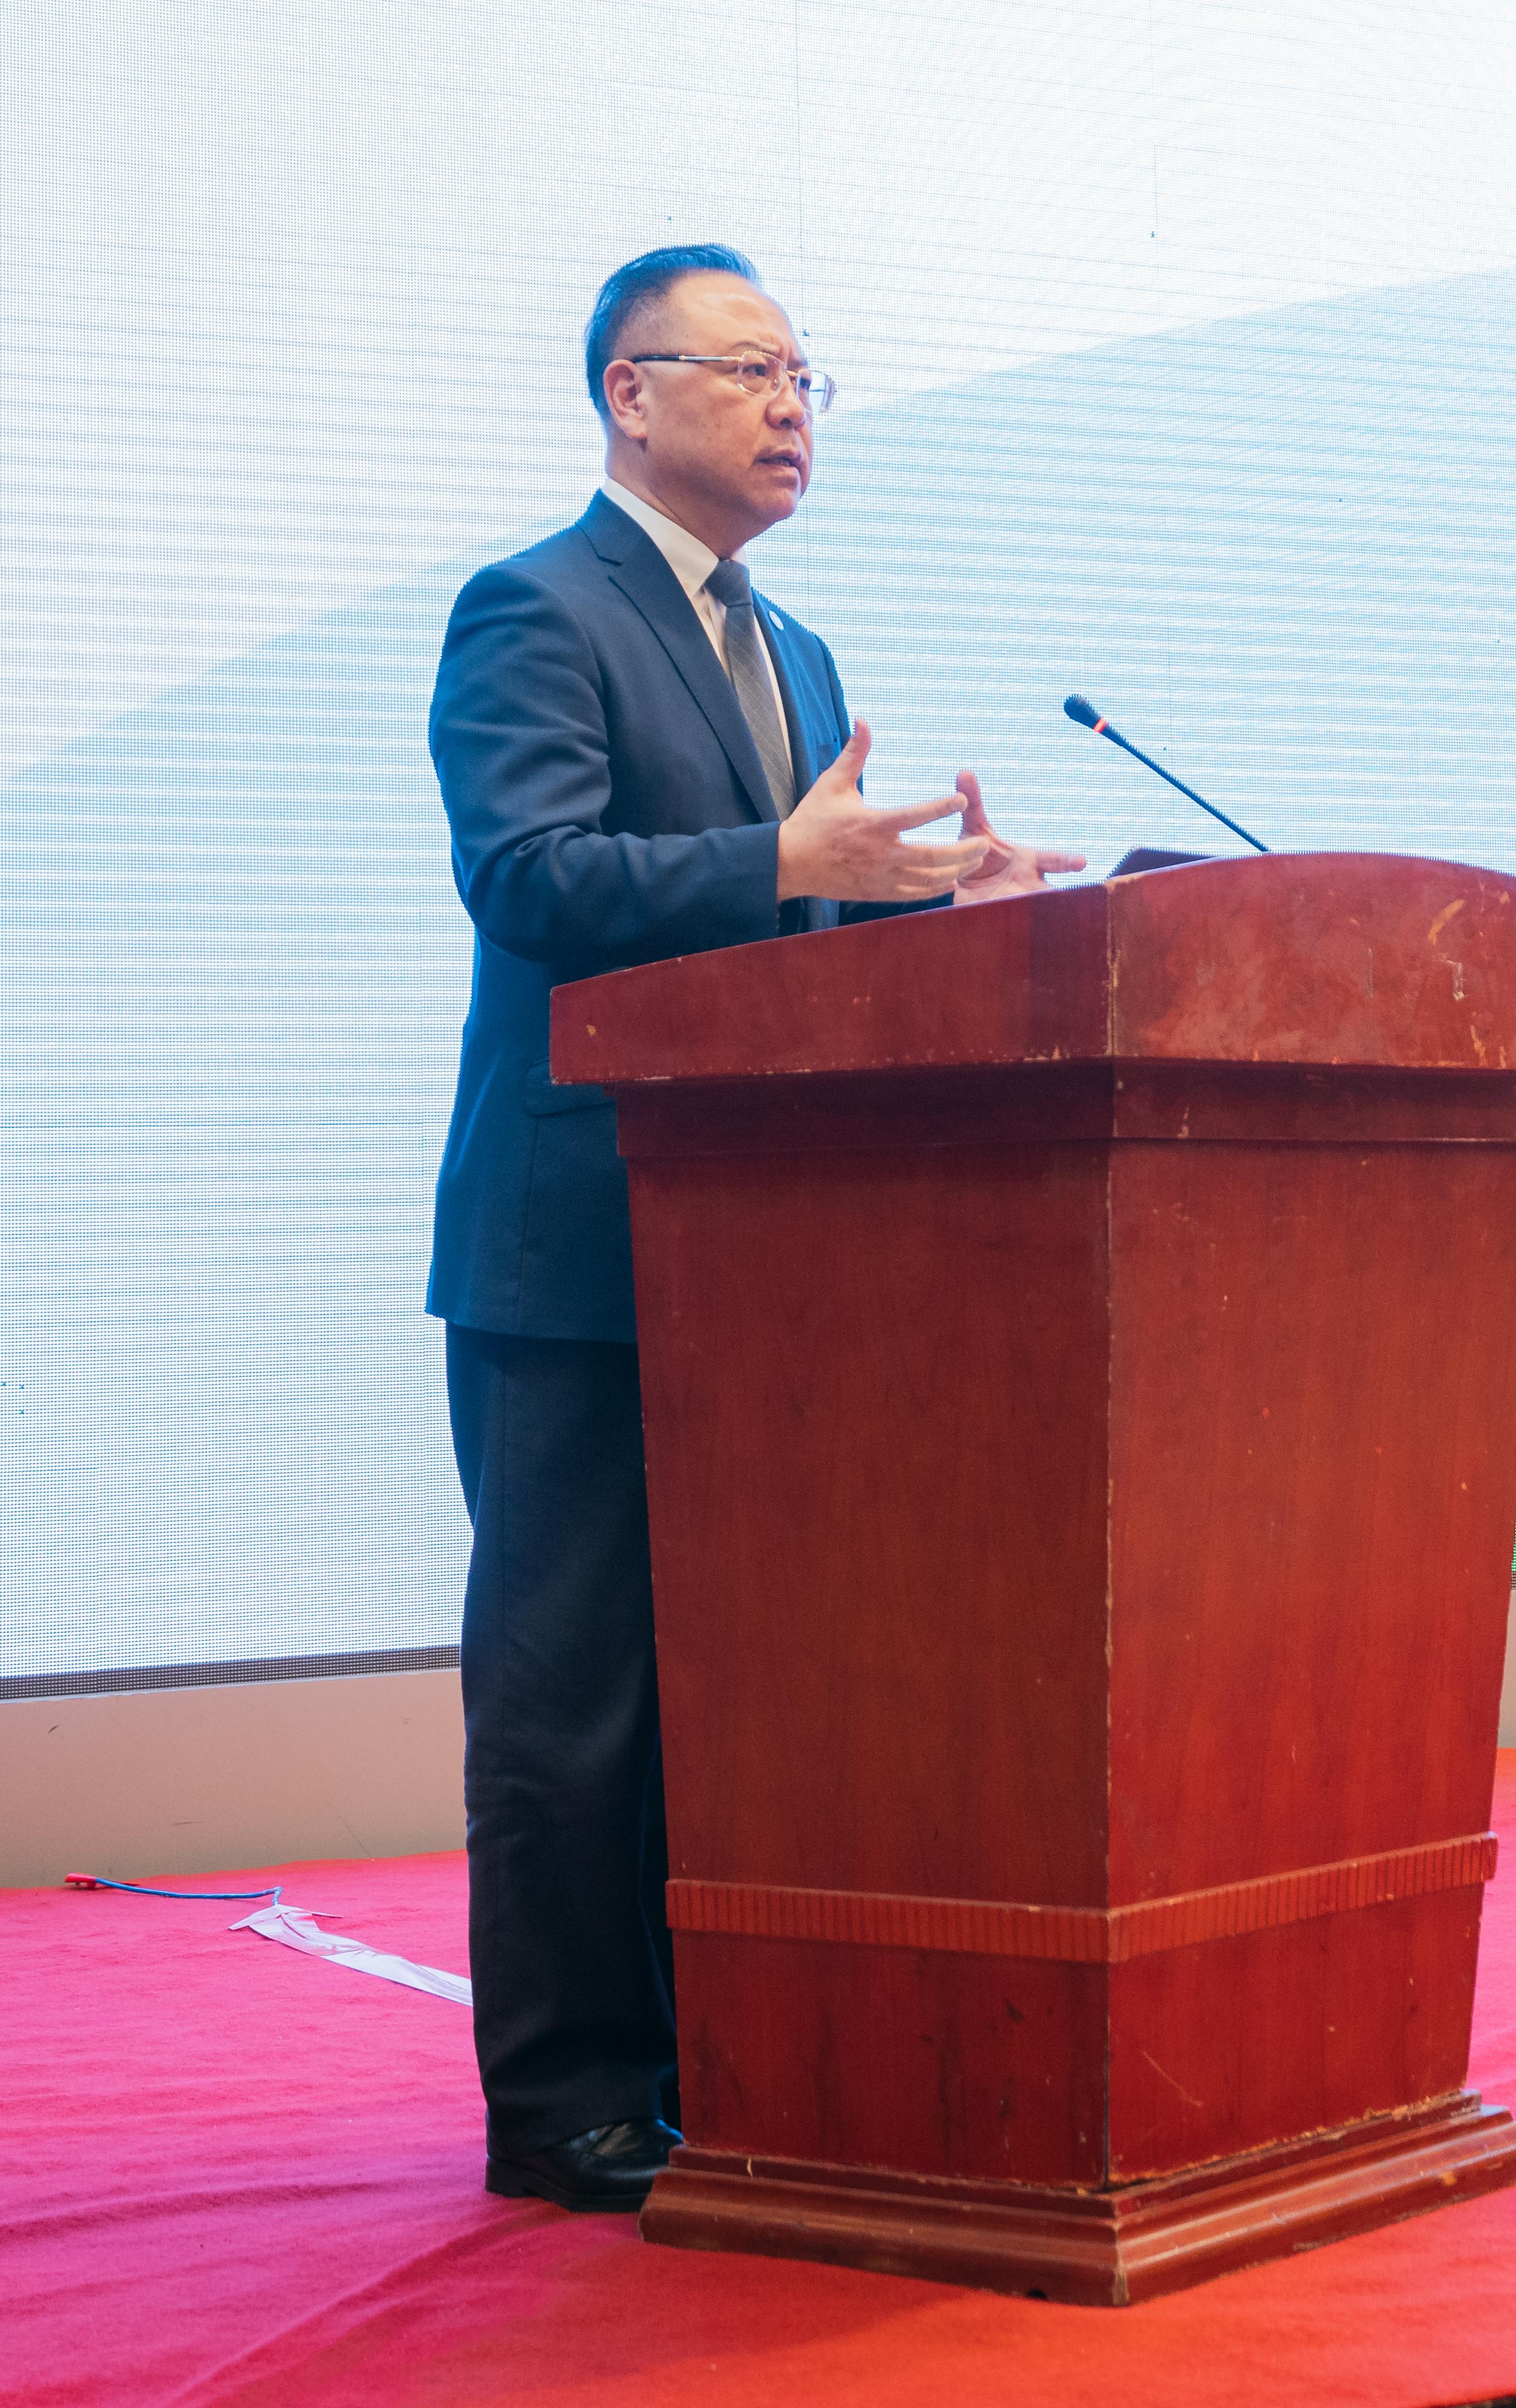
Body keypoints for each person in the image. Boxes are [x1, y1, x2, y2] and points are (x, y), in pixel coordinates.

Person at [422, 243, 1077, 2211]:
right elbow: (532, 878)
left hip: (761, 1276)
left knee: (733, 1699)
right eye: (749, 369)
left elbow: (779, 928)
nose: (793, 405)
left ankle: (713, 2056)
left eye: (808, 374)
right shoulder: (534, 608)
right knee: (574, 1696)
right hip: (574, 1251)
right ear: (630, 395)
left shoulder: (795, 654)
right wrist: (783, 856)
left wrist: (922, 903)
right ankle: (564, 2100)